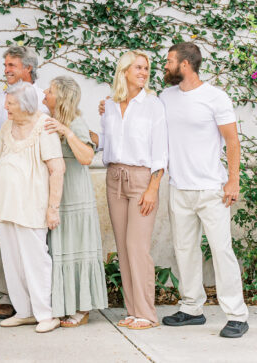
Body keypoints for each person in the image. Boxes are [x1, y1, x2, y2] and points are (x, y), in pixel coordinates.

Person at [159, 42, 250, 338]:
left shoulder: (215, 97)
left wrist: (233, 180)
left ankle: (236, 315)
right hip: (179, 187)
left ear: (185, 64)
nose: (165, 66)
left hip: (212, 189)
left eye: (169, 61)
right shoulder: (165, 97)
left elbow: (232, 141)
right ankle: (191, 308)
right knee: (184, 251)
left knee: (221, 250)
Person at [99, 50, 168, 331]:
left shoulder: (153, 105)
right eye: (138, 67)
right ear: (124, 70)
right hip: (114, 177)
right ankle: (132, 311)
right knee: (123, 248)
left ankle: (147, 314)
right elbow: (104, 142)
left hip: (141, 180)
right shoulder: (109, 104)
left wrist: (153, 188)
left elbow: (160, 151)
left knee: (137, 247)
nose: (144, 72)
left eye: (146, 68)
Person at [0, 82, 64, 334]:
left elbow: (57, 169)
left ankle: (45, 314)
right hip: (7, 204)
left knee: (35, 260)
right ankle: (24, 311)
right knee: (13, 261)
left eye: (10, 103)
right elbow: (1, 162)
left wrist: (53, 208)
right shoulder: (7, 126)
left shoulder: (44, 126)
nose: (5, 107)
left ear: (25, 104)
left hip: (32, 204)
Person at [0, 46, 48, 319]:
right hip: (7, 187)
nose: (6, 70)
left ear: (28, 68)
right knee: (5, 243)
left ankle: (40, 302)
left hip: (35, 188)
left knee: (36, 247)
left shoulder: (45, 101)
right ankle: (6, 296)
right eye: (5, 65)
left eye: (12, 65)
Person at [42, 75, 108, 328]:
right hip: (57, 193)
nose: (44, 93)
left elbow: (87, 157)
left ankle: (83, 307)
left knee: (77, 247)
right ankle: (63, 304)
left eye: (50, 90)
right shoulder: (47, 118)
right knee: (59, 249)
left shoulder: (75, 122)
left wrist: (67, 132)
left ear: (61, 97)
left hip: (76, 194)